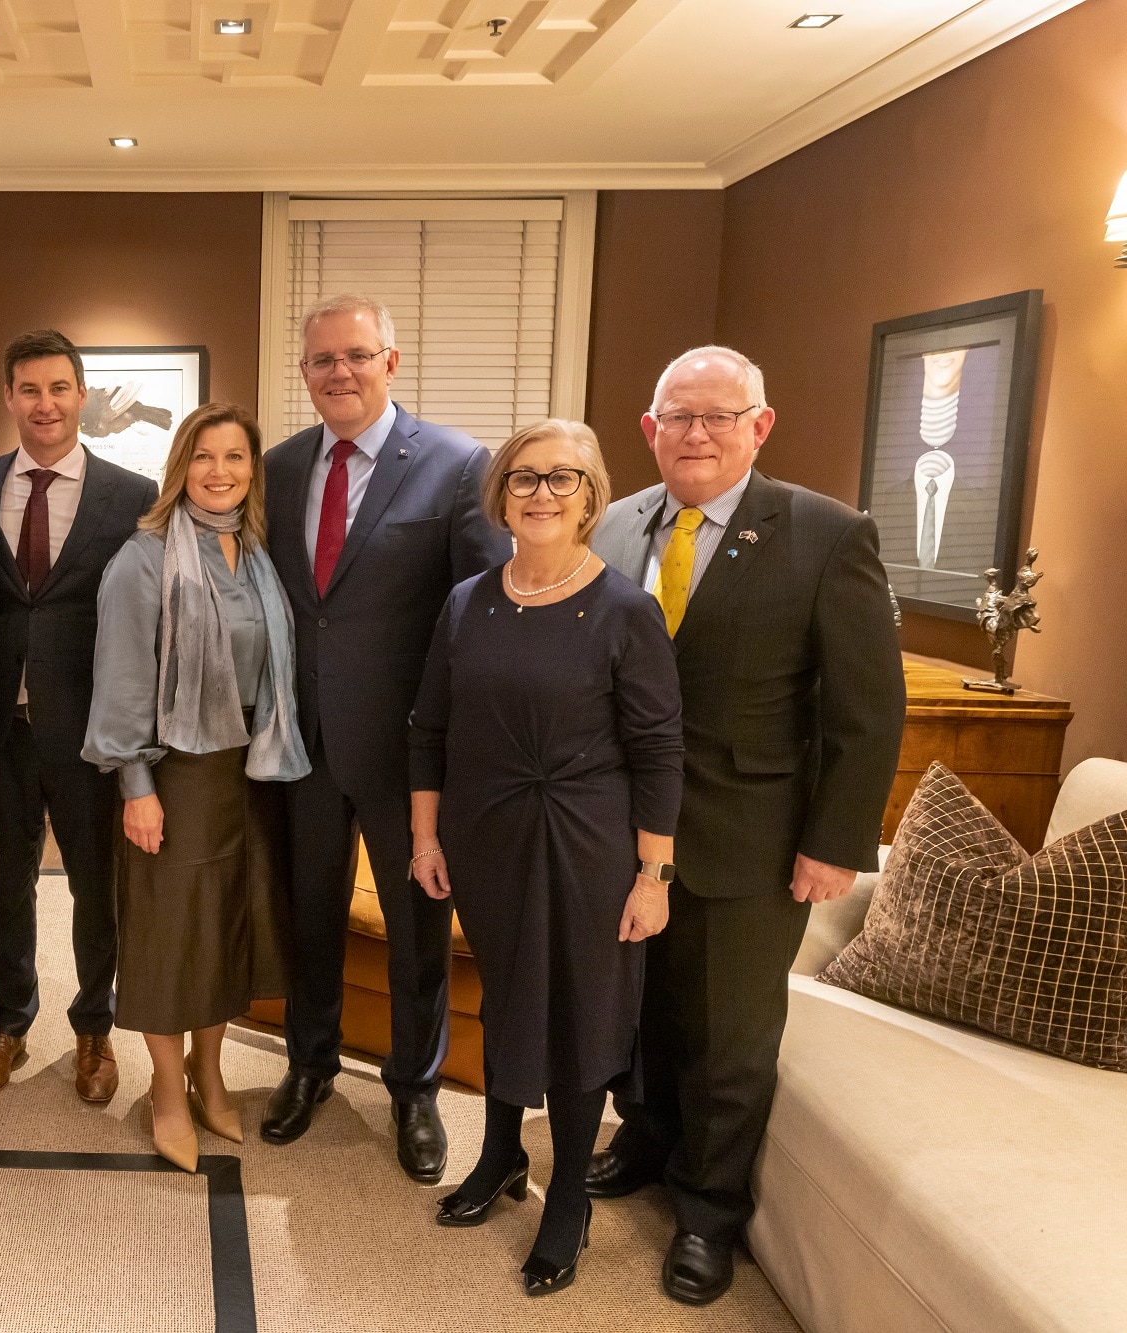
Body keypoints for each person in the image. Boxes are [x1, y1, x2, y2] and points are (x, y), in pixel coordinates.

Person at [585, 347, 906, 1305]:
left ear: (760, 427)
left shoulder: (826, 533)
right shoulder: (613, 523)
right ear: (650, 428)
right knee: (638, 1011)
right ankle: (641, 1141)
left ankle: (708, 1213)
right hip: (623, 831)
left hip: (754, 837)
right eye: (678, 416)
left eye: (720, 417)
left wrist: (834, 842)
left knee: (730, 1036)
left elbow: (866, 710)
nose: (697, 434)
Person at [407, 420, 683, 1295]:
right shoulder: (469, 601)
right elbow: (429, 729)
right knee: (506, 994)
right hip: (486, 834)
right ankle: (499, 1156)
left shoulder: (626, 609)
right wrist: (425, 835)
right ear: (500, 494)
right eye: (523, 478)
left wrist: (653, 874)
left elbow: (660, 750)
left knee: (579, 1014)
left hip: (589, 841)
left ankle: (569, 1192)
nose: (539, 495)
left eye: (561, 479)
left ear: (591, 496)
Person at [260, 294, 506, 1182]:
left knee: (415, 930)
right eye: (323, 359)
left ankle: (415, 1088)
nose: (340, 373)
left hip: (409, 757)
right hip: (301, 746)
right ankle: (310, 1062)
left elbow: (478, 613)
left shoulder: (454, 464)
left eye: (357, 355)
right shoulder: (278, 468)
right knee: (309, 917)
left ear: (391, 362)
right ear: (305, 373)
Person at [84, 404, 308, 1171]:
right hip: (175, 770)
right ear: (183, 466)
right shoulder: (145, 558)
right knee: (168, 934)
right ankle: (168, 1089)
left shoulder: (255, 551)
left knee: (226, 928)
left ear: (253, 470)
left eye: (236, 457)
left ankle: (210, 1072)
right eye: (205, 456)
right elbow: (120, 680)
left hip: (251, 769)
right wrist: (136, 785)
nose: (221, 471)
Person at [0, 331, 157, 1104]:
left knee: (94, 886)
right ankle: (8, 1022)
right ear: (9, 396)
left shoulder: (133, 496)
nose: (45, 404)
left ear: (82, 395)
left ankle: (94, 1029)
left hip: (90, 728)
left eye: (60, 388)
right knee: (8, 880)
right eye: (29, 389)